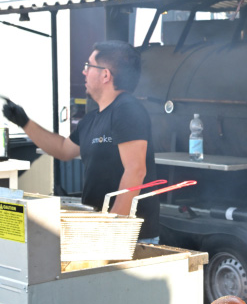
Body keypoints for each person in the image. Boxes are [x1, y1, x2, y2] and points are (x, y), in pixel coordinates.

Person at [3, 40, 160, 243]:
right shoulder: (92, 119)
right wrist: (24, 122)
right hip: (98, 230)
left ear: (106, 75)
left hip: (129, 238)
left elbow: (135, 170)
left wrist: (113, 226)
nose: (84, 72)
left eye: (88, 65)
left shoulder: (127, 110)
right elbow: (62, 149)